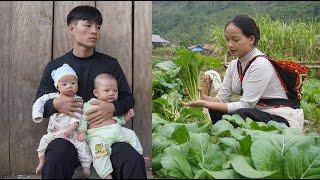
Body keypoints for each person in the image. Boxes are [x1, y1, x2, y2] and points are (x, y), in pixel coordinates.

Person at [35, 5, 146, 179]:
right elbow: (40, 103)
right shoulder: (56, 67)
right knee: (56, 157)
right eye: (88, 25)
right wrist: (55, 104)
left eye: (98, 27)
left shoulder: (110, 64)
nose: (94, 31)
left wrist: (112, 108)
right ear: (71, 28)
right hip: (69, 136)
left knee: (132, 159)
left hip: (105, 135)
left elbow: (128, 98)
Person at [184, 15, 304, 131]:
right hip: (257, 113)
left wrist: (205, 103)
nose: (230, 44)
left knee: (241, 114)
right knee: (217, 109)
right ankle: (224, 137)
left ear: (251, 39)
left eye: (235, 40)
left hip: (280, 118)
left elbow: (246, 106)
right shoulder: (234, 65)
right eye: (227, 40)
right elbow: (222, 99)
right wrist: (204, 98)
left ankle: (231, 139)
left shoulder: (261, 64)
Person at [77, 73, 143, 179]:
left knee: (131, 134)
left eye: (115, 91)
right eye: (107, 91)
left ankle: (139, 155)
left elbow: (117, 121)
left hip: (116, 131)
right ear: (96, 92)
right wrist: (81, 131)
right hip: (98, 136)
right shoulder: (89, 105)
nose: (112, 93)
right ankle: (106, 175)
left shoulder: (113, 106)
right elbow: (83, 119)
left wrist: (126, 117)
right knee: (100, 155)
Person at [32, 63, 92, 177]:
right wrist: (37, 114)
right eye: (64, 84)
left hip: (71, 133)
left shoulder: (78, 99)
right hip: (54, 133)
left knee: (82, 146)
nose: (69, 86)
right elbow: (39, 101)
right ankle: (41, 162)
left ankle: (86, 166)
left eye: (73, 83)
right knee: (43, 143)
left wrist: (72, 128)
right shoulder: (53, 97)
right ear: (57, 86)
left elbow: (77, 115)